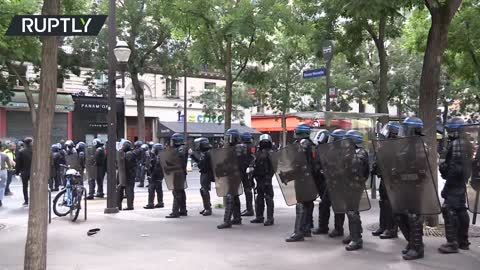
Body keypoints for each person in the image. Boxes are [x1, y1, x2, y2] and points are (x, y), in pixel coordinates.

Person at [438, 117, 471, 253]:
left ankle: (452, 243)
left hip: (455, 182)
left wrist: (447, 187)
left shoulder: (458, 143)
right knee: (460, 209)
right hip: (460, 182)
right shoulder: (465, 142)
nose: (449, 132)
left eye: (450, 129)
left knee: (448, 209)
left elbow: (455, 167)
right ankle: (463, 241)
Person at [395, 116, 426, 260]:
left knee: (414, 217)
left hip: (414, 187)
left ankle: (417, 247)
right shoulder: (408, 146)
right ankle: (412, 242)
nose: (404, 132)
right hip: (405, 187)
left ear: (413, 131)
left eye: (406, 129)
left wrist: (402, 175)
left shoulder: (420, 147)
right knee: (400, 215)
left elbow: (420, 173)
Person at [286, 123, 318, 242]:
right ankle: (307, 229)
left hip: (303, 179)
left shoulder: (303, 143)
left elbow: (299, 162)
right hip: (311, 178)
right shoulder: (312, 144)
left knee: (301, 205)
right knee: (309, 204)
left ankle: (298, 232)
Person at [341, 130, 370, 251]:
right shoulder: (352, 152)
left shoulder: (359, 153)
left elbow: (353, 169)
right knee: (351, 211)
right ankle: (354, 234)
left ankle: (356, 239)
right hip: (350, 185)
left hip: (355, 186)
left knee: (352, 211)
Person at [316, 129, 347, 239]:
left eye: (333, 139)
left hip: (339, 183)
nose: (331, 141)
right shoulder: (332, 150)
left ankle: (339, 229)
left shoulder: (346, 153)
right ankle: (323, 227)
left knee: (338, 207)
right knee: (324, 204)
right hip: (331, 182)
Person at [371, 122, 400, 239]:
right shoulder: (386, 145)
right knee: (383, 203)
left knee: (390, 204)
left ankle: (391, 229)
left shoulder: (398, 145)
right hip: (384, 178)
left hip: (393, 180)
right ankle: (383, 226)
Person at [217, 129, 243, 229]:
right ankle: (237, 217)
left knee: (230, 196)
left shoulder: (238, 148)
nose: (227, 140)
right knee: (235, 196)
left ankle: (227, 221)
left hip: (234, 175)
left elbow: (234, 162)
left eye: (228, 138)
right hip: (231, 175)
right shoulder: (232, 148)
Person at [250, 134, 275, 226]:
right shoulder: (257, 153)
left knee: (268, 198)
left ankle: (270, 218)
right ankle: (259, 217)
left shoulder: (271, 153)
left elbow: (273, 167)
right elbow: (254, 165)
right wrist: (252, 176)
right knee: (259, 198)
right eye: (263, 142)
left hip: (266, 178)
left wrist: (269, 178)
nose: (264, 144)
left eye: (266, 142)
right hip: (258, 178)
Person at [312, 129, 331, 235]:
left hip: (329, 180)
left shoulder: (329, 149)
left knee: (326, 204)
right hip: (322, 179)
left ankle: (326, 227)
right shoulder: (319, 148)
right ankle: (324, 227)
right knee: (324, 204)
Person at [165, 133, 188, 218]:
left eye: (173, 141)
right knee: (181, 191)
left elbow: (177, 160)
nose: (172, 142)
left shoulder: (181, 149)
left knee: (177, 192)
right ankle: (183, 210)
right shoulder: (180, 148)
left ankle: (175, 212)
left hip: (179, 172)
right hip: (179, 172)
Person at [191, 137, 214, 216]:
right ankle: (207, 207)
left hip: (206, 173)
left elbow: (202, 165)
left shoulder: (206, 153)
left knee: (204, 190)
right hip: (206, 172)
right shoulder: (207, 152)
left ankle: (208, 209)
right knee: (204, 190)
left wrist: (193, 156)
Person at [117, 140, 137, 210]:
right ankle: (119, 205)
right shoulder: (128, 153)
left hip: (128, 175)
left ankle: (129, 206)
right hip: (127, 174)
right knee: (122, 190)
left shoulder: (129, 154)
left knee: (128, 190)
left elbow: (126, 165)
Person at [144, 143, 165, 209]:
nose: (152, 150)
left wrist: (151, 176)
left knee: (151, 189)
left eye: (154, 149)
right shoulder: (160, 156)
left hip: (155, 176)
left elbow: (155, 168)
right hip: (160, 176)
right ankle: (160, 202)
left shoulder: (157, 158)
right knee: (159, 189)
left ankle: (150, 203)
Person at [240, 132, 255, 217]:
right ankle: (249, 208)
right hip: (250, 170)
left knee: (247, 189)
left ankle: (249, 209)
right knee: (248, 189)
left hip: (245, 170)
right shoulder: (252, 146)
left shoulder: (245, 147)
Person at [15, 137, 33, 206]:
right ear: (31, 142)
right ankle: (33, 200)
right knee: (34, 187)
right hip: (33, 171)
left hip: (24, 171)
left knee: (25, 186)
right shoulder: (35, 151)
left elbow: (18, 163)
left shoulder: (21, 151)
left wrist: (17, 172)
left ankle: (26, 201)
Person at [0, 142, 15, 207]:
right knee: (2, 187)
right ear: (1, 148)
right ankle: (0, 200)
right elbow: (9, 165)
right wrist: (10, 167)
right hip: (3, 171)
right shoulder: (4, 155)